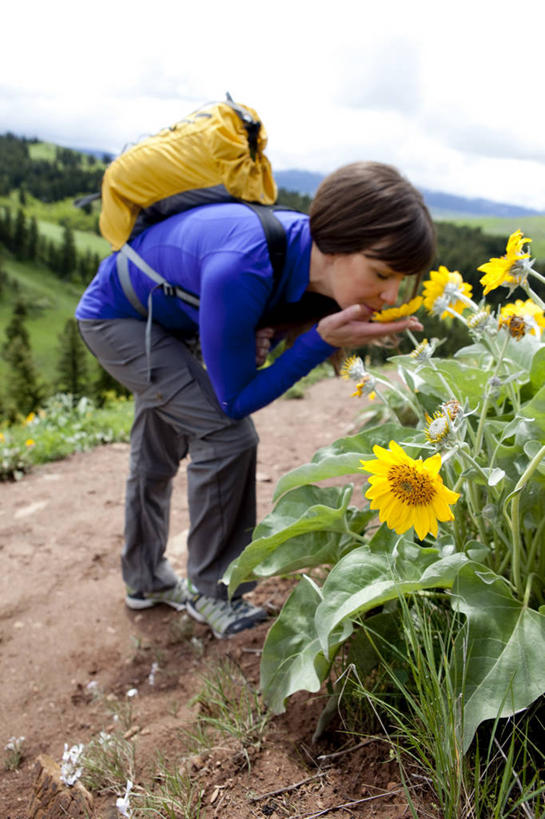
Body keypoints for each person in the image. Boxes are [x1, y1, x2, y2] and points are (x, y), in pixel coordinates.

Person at [76, 161, 435, 639]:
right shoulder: (245, 263)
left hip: (162, 320)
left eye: (400, 279)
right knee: (227, 438)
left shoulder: (298, 253)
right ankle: (213, 590)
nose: (391, 295)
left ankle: (145, 582)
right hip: (117, 320)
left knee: (157, 451)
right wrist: (319, 341)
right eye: (382, 273)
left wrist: (270, 332)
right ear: (336, 245)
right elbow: (234, 402)